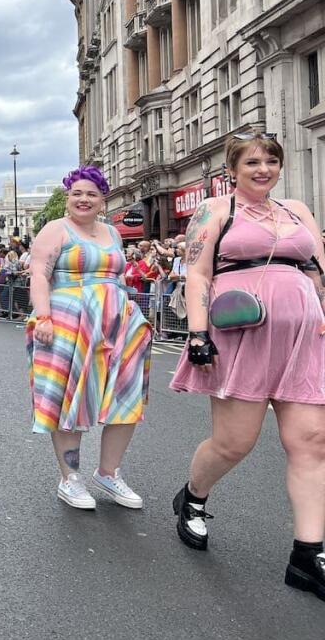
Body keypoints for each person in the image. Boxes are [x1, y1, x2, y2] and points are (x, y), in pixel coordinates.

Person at [169, 132, 325, 602]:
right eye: (253, 161)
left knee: (312, 442)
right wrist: (198, 333)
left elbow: (317, 271)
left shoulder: (297, 211)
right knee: (235, 443)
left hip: (304, 340)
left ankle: (308, 553)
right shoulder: (217, 210)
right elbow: (198, 272)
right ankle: (193, 496)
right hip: (241, 337)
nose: (264, 169)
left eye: (272, 160)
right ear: (232, 169)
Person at [27, 166, 153, 511]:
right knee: (72, 400)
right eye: (77, 193)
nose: (83, 199)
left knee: (126, 398)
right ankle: (70, 478)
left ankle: (108, 473)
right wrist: (43, 317)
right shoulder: (56, 229)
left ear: (103, 201)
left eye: (91, 194)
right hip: (68, 322)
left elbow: (119, 277)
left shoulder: (112, 233)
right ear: (68, 198)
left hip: (118, 322)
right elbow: (39, 274)